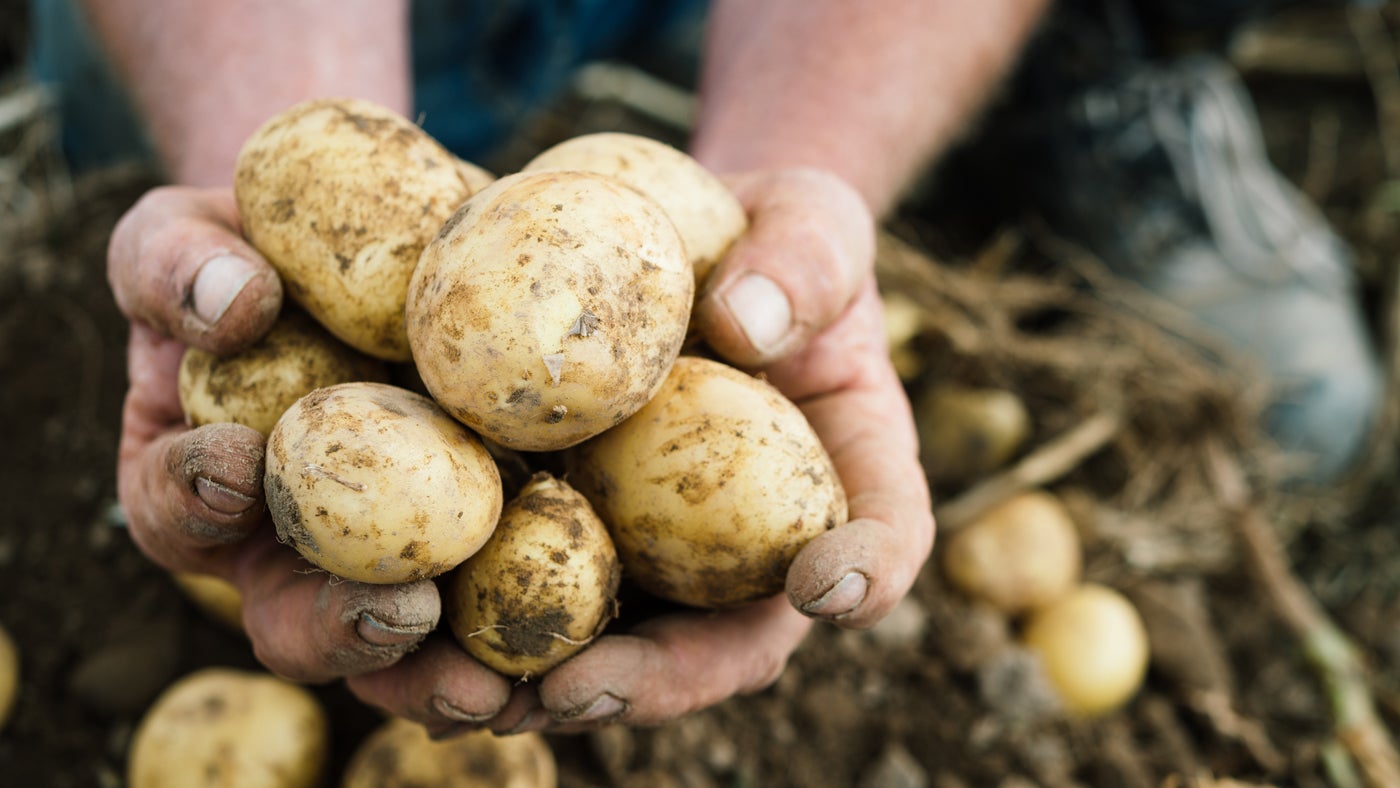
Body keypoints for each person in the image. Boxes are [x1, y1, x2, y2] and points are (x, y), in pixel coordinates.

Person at [31, 0, 1052, 737]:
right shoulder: (409, 335)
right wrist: (249, 211)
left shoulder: (594, 281)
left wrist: (798, 212)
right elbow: (305, 169)